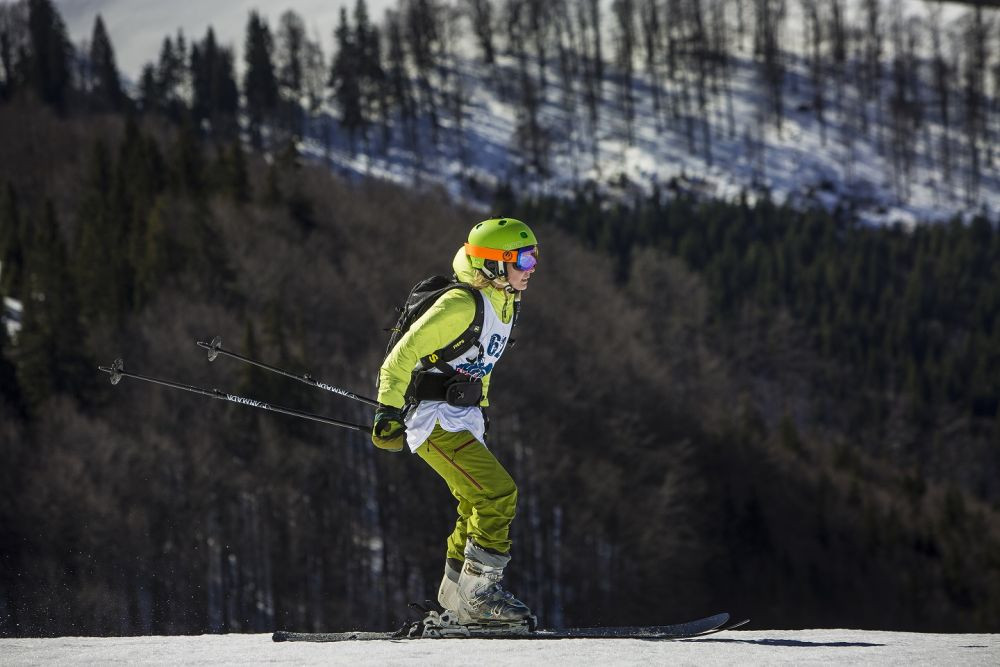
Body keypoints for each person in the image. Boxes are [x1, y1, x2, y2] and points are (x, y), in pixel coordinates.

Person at [371, 217, 539, 626]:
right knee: (498, 494)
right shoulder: (461, 304)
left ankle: (456, 592)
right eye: (523, 258)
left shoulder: (505, 301)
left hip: (463, 416)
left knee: (472, 499)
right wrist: (388, 412)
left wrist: (479, 407)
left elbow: (481, 364)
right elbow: (401, 356)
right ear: (496, 265)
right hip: (433, 418)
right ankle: (480, 595)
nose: (532, 266)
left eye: (534, 257)